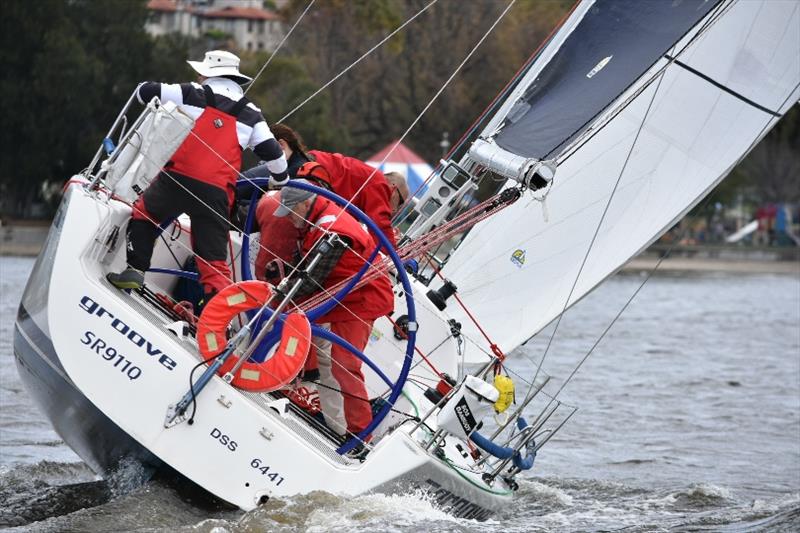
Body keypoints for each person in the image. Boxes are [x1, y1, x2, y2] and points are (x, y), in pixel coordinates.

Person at [107, 50, 288, 302]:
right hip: (216, 194)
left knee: (144, 215)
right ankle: (217, 319)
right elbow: (276, 156)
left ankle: (135, 270)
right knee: (213, 261)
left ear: (206, 74)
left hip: (176, 179)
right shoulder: (252, 114)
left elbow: (145, 91)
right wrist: (279, 183)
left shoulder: (193, 92)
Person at [275, 172, 394, 439]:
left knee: (344, 363)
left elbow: (312, 278)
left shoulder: (333, 230)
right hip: (340, 294)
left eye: (292, 212)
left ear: (305, 204)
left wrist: (276, 296)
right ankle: (334, 424)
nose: (291, 220)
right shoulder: (318, 220)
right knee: (328, 359)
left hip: (362, 299)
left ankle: (360, 434)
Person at [242, 123, 398, 248]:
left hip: (310, 165)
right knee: (251, 195)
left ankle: (232, 209)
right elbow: (380, 228)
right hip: (311, 173)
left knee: (243, 189)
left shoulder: (367, 178)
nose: (395, 210)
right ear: (395, 189)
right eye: (400, 202)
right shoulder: (379, 184)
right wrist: (395, 259)